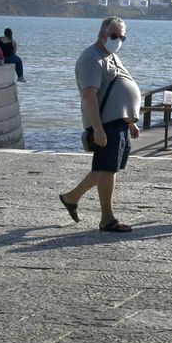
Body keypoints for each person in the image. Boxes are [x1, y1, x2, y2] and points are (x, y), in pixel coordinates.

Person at [58, 16, 142, 233]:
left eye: (122, 36)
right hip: (106, 124)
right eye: (115, 35)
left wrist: (130, 121)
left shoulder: (110, 55)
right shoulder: (91, 59)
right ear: (102, 34)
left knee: (107, 168)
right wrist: (97, 128)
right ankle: (107, 220)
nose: (119, 40)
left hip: (118, 122)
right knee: (106, 169)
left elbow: (117, 88)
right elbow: (89, 96)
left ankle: (71, 197)